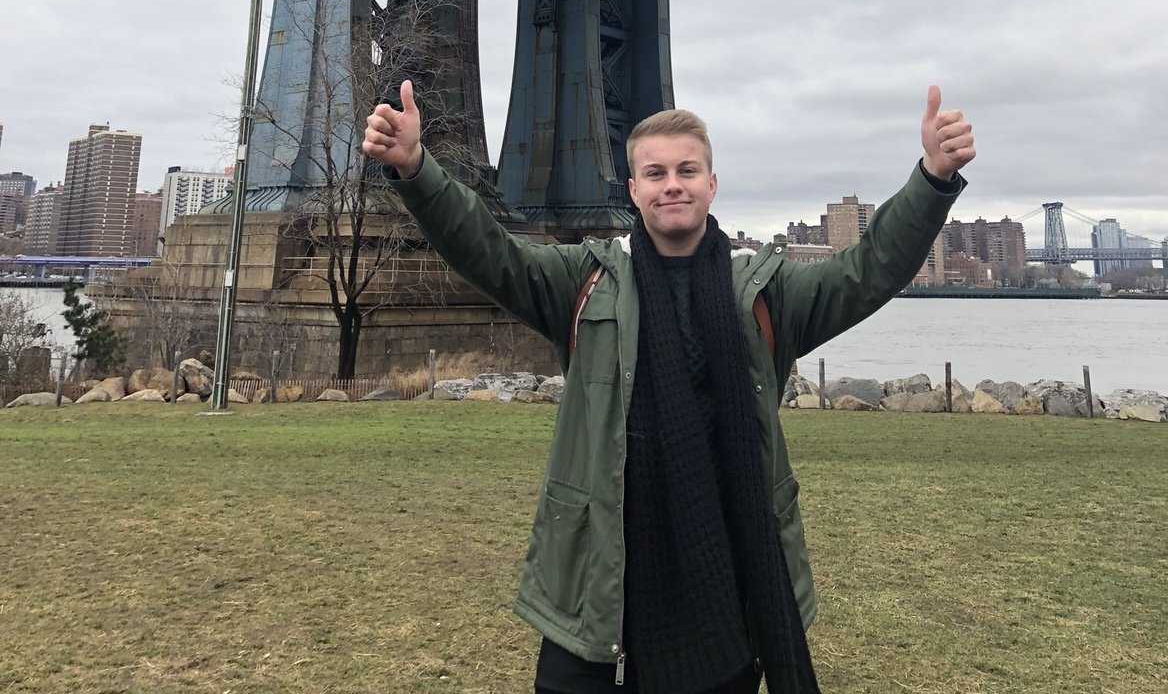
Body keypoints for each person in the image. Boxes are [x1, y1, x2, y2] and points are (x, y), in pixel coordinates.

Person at [363, 84, 975, 694]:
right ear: (633, 190)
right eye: (655, 173)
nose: (672, 185)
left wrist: (932, 179)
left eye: (687, 170)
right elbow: (489, 251)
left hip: (726, 590)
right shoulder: (584, 281)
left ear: (713, 183)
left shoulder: (765, 292)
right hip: (600, 587)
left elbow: (866, 272)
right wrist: (417, 170)